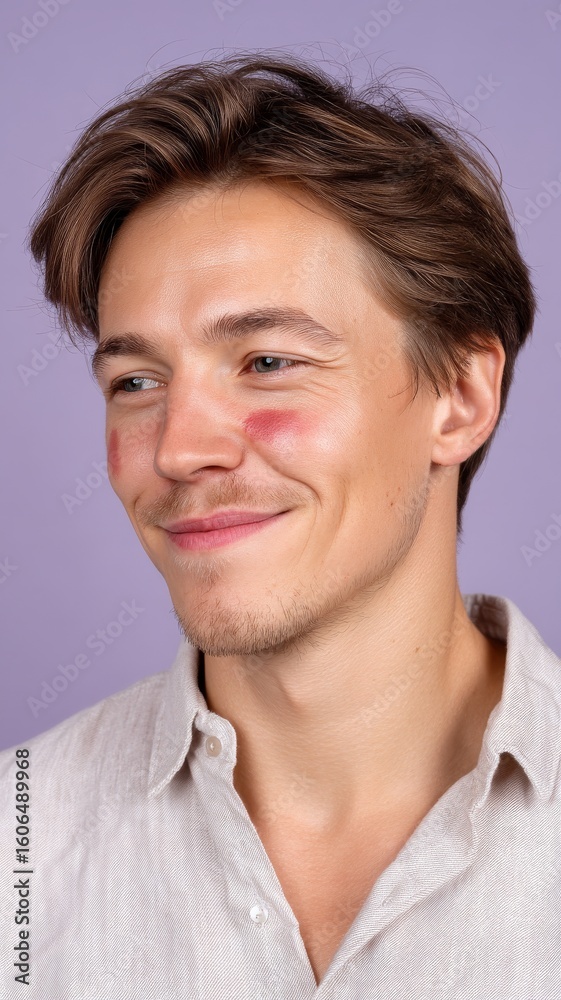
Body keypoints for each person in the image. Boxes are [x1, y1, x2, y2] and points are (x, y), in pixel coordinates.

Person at [1, 53, 559, 999]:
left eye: (266, 362)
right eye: (135, 382)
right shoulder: (18, 848)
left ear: (461, 398)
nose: (179, 448)